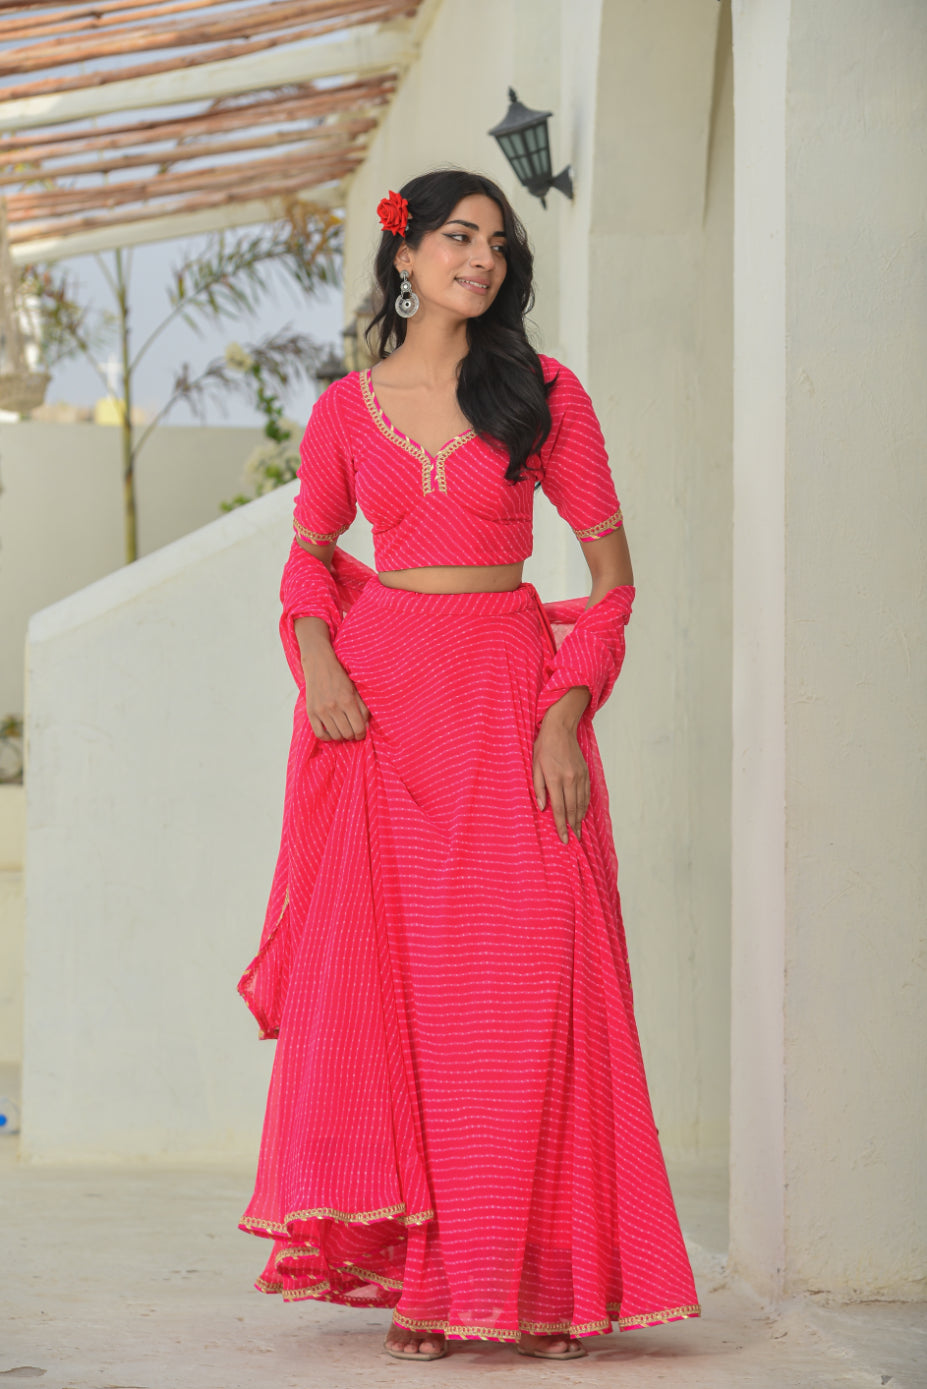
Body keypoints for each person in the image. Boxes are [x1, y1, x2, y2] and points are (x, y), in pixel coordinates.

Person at [237, 168, 701, 1363]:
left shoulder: (544, 393)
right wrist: (320, 666)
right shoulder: (347, 410)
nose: (481, 258)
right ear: (406, 257)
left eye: (497, 242)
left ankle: (542, 1279)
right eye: (458, 236)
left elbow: (612, 586)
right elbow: (306, 564)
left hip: (507, 701)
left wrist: (565, 714)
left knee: (532, 991)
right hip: (387, 719)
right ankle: (432, 1281)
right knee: (412, 1010)